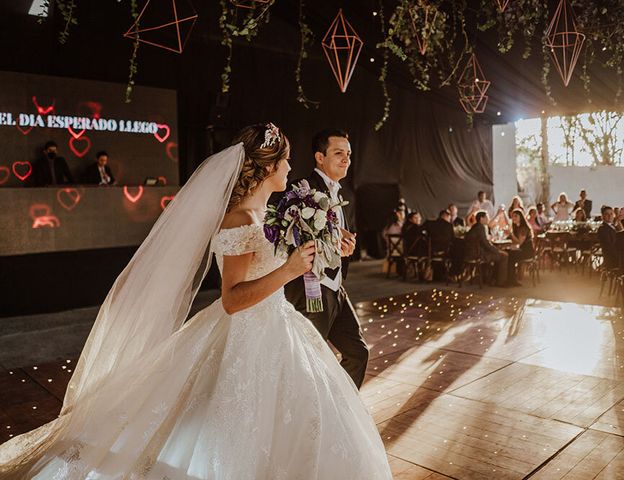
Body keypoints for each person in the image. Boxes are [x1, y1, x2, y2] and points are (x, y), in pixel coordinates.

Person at [0, 124, 392, 478]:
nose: (291, 169)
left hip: (280, 325)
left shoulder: (263, 214)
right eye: (286, 161)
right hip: (250, 333)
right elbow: (232, 300)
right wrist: (288, 271)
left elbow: (278, 263)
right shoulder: (237, 219)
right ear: (266, 166)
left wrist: (324, 251)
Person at [282, 128, 369, 390]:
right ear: (320, 157)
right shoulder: (301, 190)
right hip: (311, 291)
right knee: (308, 363)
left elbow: (340, 239)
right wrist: (332, 239)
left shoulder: (343, 196)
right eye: (339, 153)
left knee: (358, 353)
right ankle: (309, 418)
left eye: (349, 154)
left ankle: (342, 412)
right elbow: (288, 239)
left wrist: (347, 244)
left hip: (335, 287)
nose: (346, 159)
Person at [464, 210, 508, 286]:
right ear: (481, 218)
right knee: (504, 255)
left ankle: (489, 278)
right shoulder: (480, 228)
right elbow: (485, 243)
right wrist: (496, 250)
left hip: (470, 252)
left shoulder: (474, 227)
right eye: (486, 217)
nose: (488, 219)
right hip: (478, 254)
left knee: (498, 254)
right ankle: (500, 281)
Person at [508, 208, 535, 286]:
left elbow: (520, 242)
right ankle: (510, 279)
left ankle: (512, 280)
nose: (513, 218)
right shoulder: (516, 227)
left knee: (510, 256)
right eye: (512, 216)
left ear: (521, 217)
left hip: (527, 252)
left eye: (516, 216)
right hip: (521, 250)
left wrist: (511, 234)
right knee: (508, 253)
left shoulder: (524, 228)